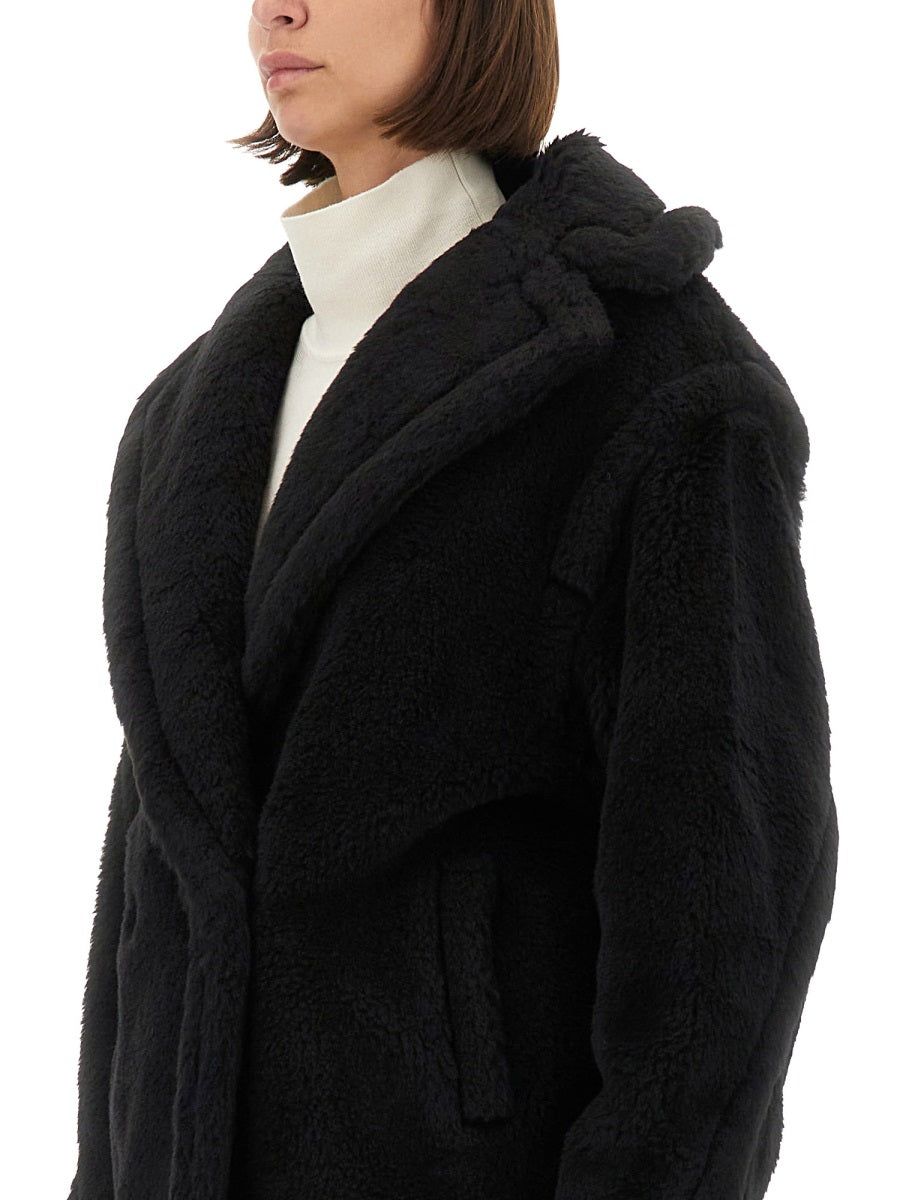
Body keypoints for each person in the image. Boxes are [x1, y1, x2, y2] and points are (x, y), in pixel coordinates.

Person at [64, 0, 839, 1197]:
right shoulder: (190, 414)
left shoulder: (654, 384)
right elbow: (151, 895)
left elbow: (721, 927)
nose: (277, 8)